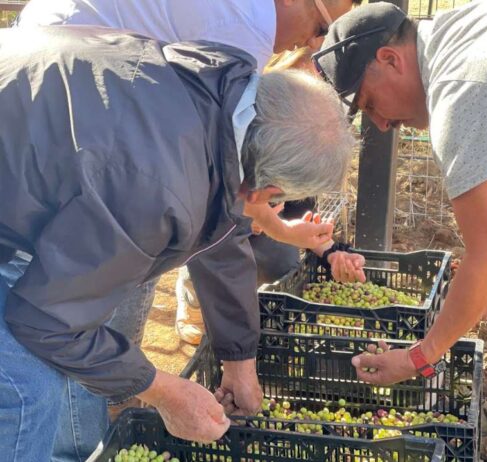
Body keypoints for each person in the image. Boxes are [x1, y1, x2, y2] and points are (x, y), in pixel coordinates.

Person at [0, 25, 355, 461]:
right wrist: (162, 390)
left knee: (83, 309)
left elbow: (218, 224)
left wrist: (238, 359)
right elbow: (45, 322)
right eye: (277, 203)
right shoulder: (156, 189)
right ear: (267, 191)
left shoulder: (220, 92)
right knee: (26, 387)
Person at [16, 0, 360, 346]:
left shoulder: (242, 34)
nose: (316, 43)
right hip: (62, 90)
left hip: (55, 61)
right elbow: (229, 192)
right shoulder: (243, 31)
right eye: (320, 27)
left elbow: (240, 177)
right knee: (139, 241)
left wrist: (282, 229)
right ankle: (111, 382)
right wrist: (227, 360)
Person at [313, 0, 487, 448]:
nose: (382, 123)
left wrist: (419, 357)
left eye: (370, 102)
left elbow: (486, 258)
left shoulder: (459, 93)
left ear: (390, 59)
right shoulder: (458, 32)